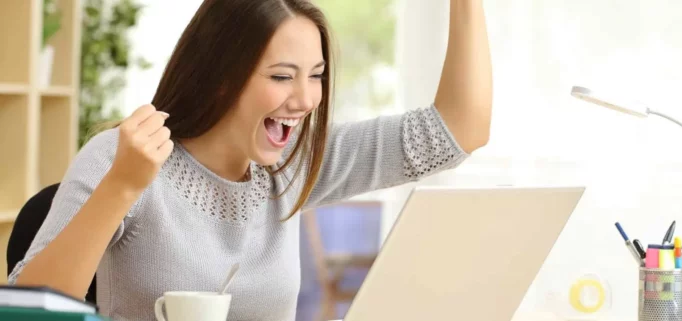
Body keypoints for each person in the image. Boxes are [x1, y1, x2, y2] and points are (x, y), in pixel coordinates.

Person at [9, 0, 492, 320]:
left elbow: (459, 129)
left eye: (317, 75)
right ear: (220, 76)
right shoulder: (124, 158)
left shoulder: (294, 164)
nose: (306, 99)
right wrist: (122, 188)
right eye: (283, 77)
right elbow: (31, 309)